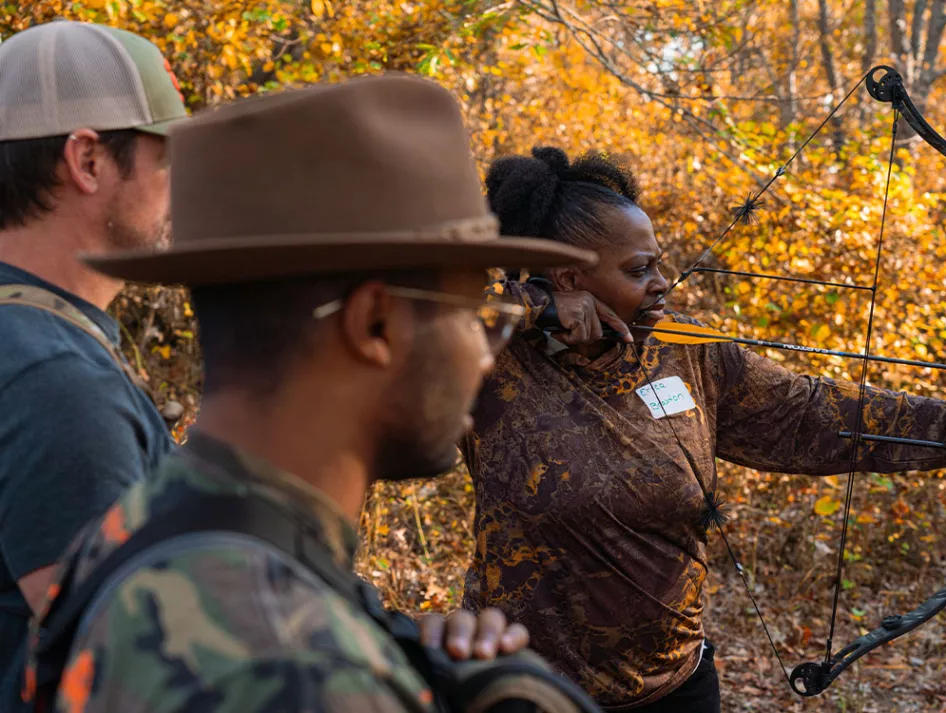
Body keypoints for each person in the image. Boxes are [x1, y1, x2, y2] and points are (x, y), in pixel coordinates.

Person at [24, 77, 599, 713]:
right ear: (375, 324)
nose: (487, 352)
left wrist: (398, 652)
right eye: (476, 316)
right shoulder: (293, 664)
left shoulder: (153, 519)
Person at [459, 146, 946, 712]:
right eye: (638, 270)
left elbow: (815, 415)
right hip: (525, 691)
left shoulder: (690, 354)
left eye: (661, 265)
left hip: (675, 689)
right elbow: (392, 300)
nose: (661, 285)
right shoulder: (489, 359)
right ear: (570, 279)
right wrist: (531, 303)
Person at [0, 19, 189, 709]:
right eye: (166, 155)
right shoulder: (55, 380)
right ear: (87, 160)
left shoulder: (30, 341)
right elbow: (129, 671)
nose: (180, 184)